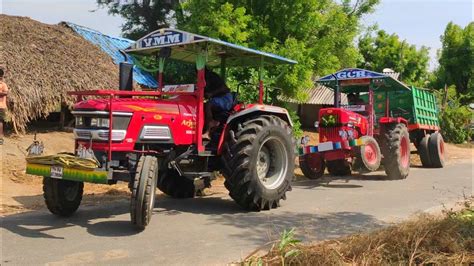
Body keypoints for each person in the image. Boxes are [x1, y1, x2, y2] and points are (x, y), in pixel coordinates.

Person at [202, 68, 234, 139]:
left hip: (225, 98)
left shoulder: (212, 76)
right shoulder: (202, 79)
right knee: (202, 106)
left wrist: (211, 94)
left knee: (208, 104)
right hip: (217, 99)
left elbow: (224, 88)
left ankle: (209, 129)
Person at [0, 66, 9, 145]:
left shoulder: (3, 84)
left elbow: (6, 93)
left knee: (0, 122)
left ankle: (0, 138)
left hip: (1, 106)